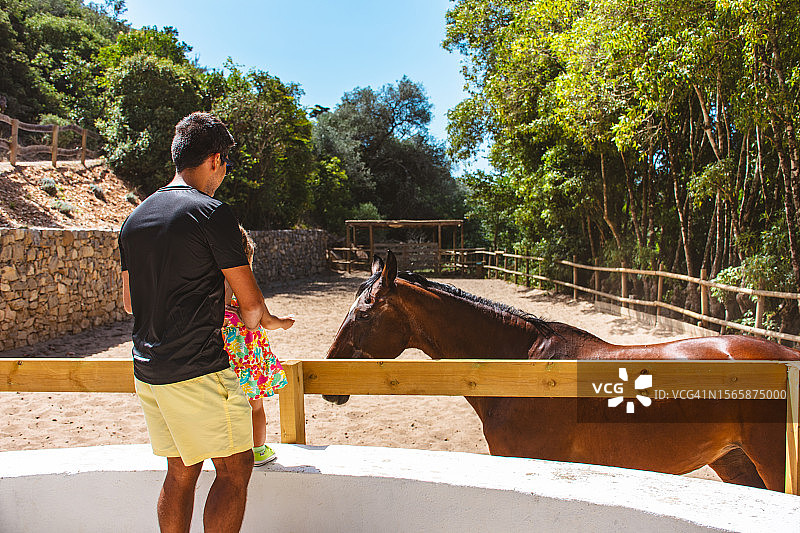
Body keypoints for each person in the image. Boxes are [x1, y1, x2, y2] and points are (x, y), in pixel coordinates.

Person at [119, 111, 295, 533]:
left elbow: (129, 303)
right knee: (236, 469)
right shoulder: (212, 213)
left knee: (180, 472)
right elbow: (249, 305)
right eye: (227, 163)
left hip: (148, 371)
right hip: (200, 369)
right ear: (216, 159)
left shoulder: (135, 219)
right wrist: (267, 321)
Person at [222, 225, 293, 465]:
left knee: (223, 408)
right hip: (248, 358)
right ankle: (258, 450)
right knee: (255, 407)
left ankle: (226, 450)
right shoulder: (246, 284)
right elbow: (265, 318)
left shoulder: (210, 284)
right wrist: (283, 323)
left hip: (221, 355)